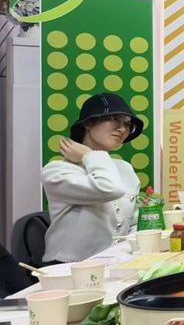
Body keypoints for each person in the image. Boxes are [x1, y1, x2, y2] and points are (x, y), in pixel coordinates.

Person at [42, 93, 144, 263]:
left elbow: (134, 223)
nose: (122, 129)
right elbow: (110, 189)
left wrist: (126, 255)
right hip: (69, 267)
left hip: (117, 263)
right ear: (88, 123)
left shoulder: (124, 168)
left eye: (128, 124)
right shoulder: (57, 171)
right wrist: (90, 155)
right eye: (115, 119)